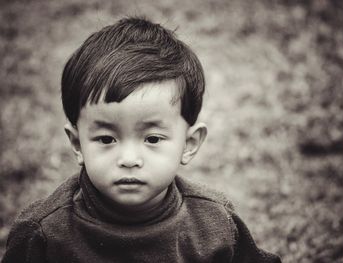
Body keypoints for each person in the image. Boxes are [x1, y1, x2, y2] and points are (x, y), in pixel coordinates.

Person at [2, 17, 281, 263]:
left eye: (153, 138)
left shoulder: (215, 223)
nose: (129, 159)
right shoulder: (44, 234)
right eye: (106, 139)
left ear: (189, 143)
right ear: (77, 144)